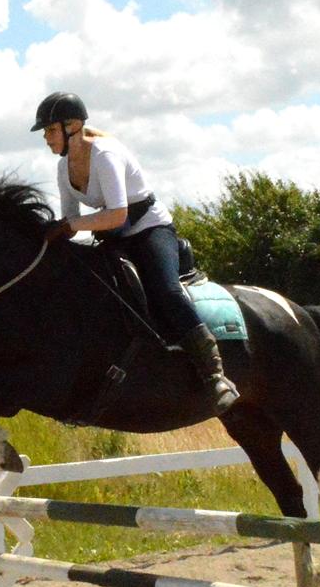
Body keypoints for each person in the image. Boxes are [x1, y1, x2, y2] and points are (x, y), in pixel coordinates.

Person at [32, 91, 240, 416]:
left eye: (50, 130)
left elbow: (116, 213)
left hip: (149, 229)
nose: (46, 138)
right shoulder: (64, 168)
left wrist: (69, 225)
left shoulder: (105, 154)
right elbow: (70, 221)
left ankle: (215, 376)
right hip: (114, 236)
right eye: (45, 133)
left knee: (166, 291)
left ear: (72, 126)